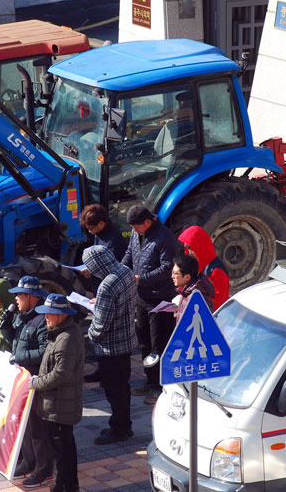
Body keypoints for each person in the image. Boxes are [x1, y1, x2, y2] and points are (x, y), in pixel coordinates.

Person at [121, 204, 178, 404]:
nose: (134, 231)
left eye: (137, 227)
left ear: (147, 222)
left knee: (158, 343)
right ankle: (149, 379)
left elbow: (167, 268)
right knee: (144, 341)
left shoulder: (164, 237)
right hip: (141, 297)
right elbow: (130, 255)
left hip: (159, 298)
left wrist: (140, 278)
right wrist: (121, 270)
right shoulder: (136, 235)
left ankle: (159, 385)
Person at [83, 245, 138, 445]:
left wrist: (90, 335)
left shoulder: (107, 284)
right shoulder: (125, 271)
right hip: (126, 341)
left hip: (111, 347)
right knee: (123, 387)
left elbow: (101, 324)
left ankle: (119, 429)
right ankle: (124, 425)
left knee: (114, 391)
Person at [30, 294, 84, 492]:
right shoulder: (62, 332)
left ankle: (67, 486)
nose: (46, 318)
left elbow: (60, 375)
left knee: (63, 451)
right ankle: (66, 484)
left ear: (61, 315)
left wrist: (35, 383)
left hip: (60, 405)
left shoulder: (66, 339)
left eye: (50, 314)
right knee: (65, 449)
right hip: (59, 403)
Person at [3, 276, 53, 487]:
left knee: (37, 427)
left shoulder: (42, 320)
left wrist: (20, 358)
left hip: (35, 381)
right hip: (21, 379)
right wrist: (7, 319)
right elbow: (12, 338)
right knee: (22, 423)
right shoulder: (21, 316)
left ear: (32, 298)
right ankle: (28, 461)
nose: (16, 299)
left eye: (19, 296)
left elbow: (44, 351)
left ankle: (44, 469)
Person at [177, 225, 230, 307]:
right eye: (187, 248)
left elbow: (216, 303)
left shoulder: (217, 271)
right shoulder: (199, 266)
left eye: (191, 248)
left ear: (200, 247)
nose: (189, 252)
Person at [171, 253, 215, 318]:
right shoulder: (187, 292)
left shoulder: (198, 298)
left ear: (187, 277)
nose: (172, 276)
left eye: (175, 273)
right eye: (172, 272)